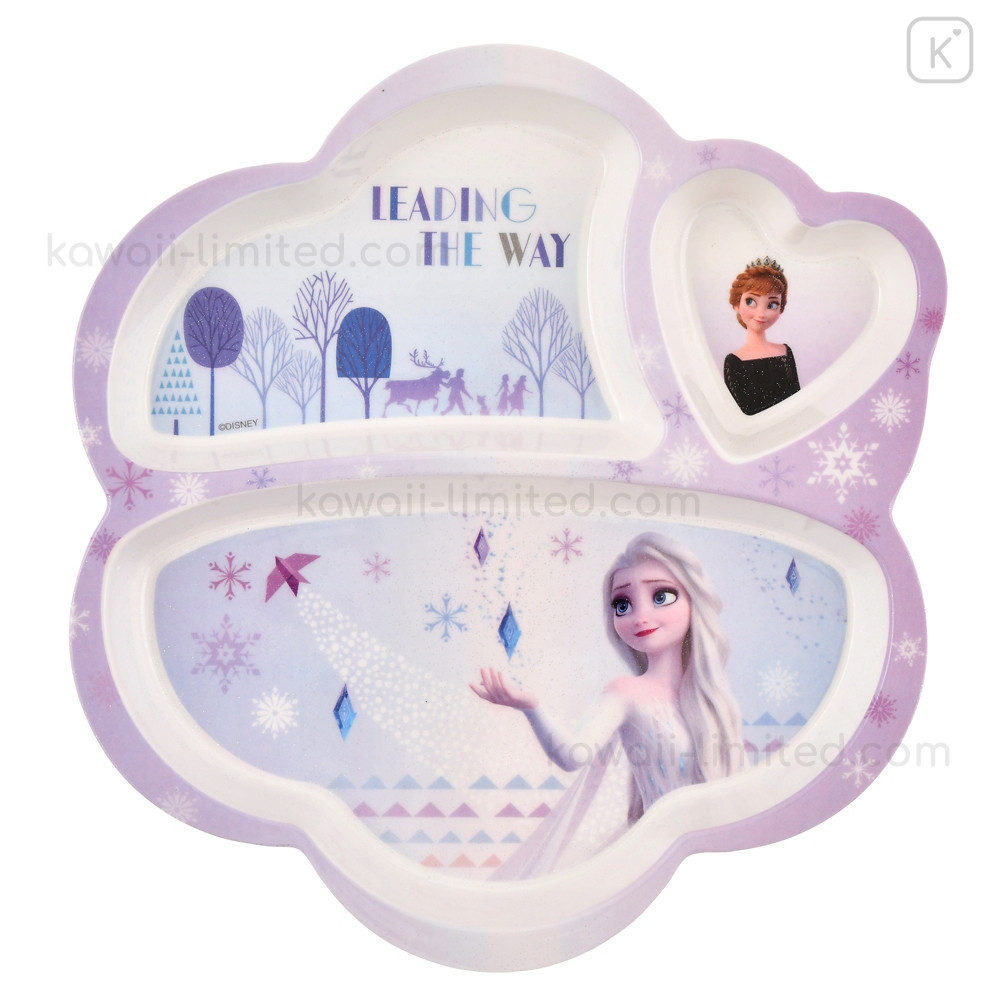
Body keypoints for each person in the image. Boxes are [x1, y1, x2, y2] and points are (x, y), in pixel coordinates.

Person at [471, 533, 743, 873]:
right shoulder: (626, 692)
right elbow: (573, 754)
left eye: (661, 596)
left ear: (694, 600)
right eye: (623, 604)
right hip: (656, 855)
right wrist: (532, 707)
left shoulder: (710, 698)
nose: (640, 616)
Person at [723, 257, 800, 414]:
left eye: (772, 305)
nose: (761, 314)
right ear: (737, 304)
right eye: (751, 301)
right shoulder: (734, 362)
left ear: (780, 309)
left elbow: (797, 400)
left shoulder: (785, 352)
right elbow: (740, 412)